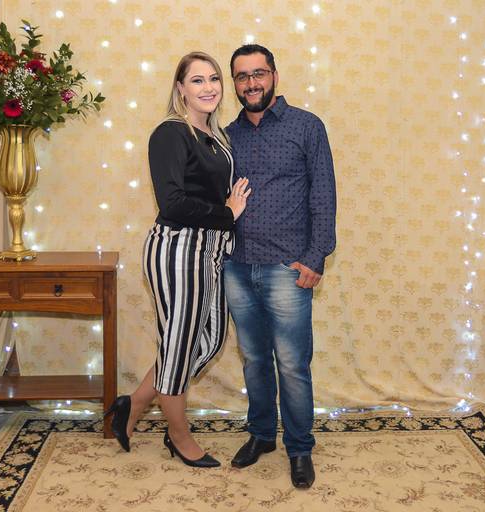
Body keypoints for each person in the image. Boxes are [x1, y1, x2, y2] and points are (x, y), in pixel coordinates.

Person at [105, 52, 251, 468]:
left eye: (214, 79)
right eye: (197, 80)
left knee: (207, 340)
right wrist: (227, 213)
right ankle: (179, 435)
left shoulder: (214, 136)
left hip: (211, 251)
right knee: (181, 344)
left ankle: (134, 404)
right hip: (178, 250)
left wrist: (225, 221)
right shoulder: (171, 132)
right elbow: (172, 202)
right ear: (180, 88)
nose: (208, 87)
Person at [224, 44, 336, 489]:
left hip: (288, 268)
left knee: (291, 364)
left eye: (259, 73)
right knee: (254, 359)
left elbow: (323, 195)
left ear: (274, 76)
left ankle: (300, 448)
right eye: (242, 76)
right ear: (234, 84)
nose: (251, 83)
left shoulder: (306, 126)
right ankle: (261, 435)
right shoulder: (226, 136)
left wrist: (315, 256)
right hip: (237, 266)